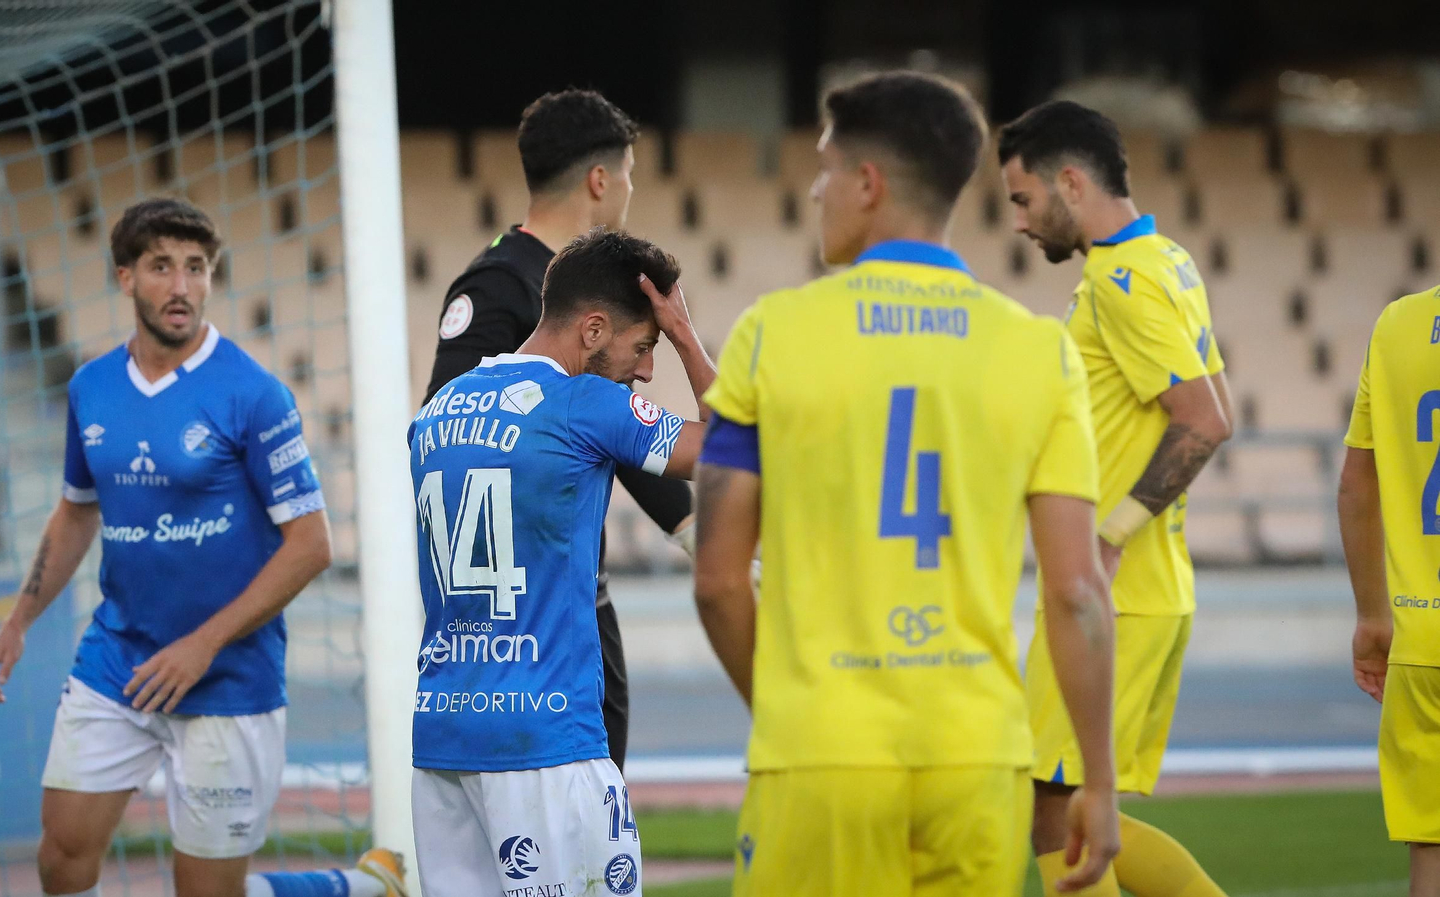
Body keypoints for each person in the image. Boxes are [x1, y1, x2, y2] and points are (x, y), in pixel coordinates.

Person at [693, 71, 1119, 896]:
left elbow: (716, 579)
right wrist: (1095, 782)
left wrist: (790, 711)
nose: (815, 189)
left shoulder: (770, 334)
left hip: (821, 750)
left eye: (824, 168)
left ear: (867, 183)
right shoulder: (1038, 350)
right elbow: (1075, 590)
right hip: (978, 755)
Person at [0, 198, 405, 897]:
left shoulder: (254, 394)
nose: (181, 286)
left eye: (196, 268)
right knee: (60, 861)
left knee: (207, 893)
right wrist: (17, 621)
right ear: (125, 277)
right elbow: (76, 513)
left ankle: (357, 888)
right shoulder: (91, 388)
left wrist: (203, 643)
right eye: (161, 266)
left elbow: (311, 544)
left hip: (228, 676)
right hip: (118, 657)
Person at [407, 229, 715, 897]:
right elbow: (731, 449)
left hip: (441, 744)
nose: (645, 368)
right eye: (643, 347)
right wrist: (686, 333)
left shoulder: (435, 412)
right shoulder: (582, 405)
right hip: (545, 742)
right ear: (594, 328)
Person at [423, 88, 697, 771]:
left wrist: (685, 516)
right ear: (600, 180)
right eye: (629, 174)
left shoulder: (585, 286)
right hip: (525, 624)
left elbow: (597, 425)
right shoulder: (497, 286)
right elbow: (447, 422)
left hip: (571, 595)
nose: (632, 189)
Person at [998, 100, 1233, 897]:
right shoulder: (1168, 259)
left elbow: (1204, 420)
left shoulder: (1121, 277)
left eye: (1024, 200)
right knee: (1068, 809)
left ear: (1071, 180)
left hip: (1113, 593)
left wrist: (1108, 538)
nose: (1022, 224)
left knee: (1049, 810)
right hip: (1142, 591)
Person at [1339, 282, 1440, 897]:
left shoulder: (1398, 324)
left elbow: (1356, 485)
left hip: (1421, 637)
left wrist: (1372, 619)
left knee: (1431, 844)